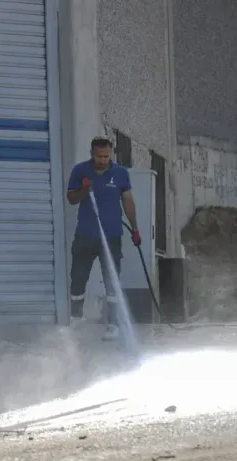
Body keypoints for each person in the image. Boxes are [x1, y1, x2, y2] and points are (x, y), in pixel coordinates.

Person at [66, 136, 141, 341]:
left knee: (112, 280)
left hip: (112, 236)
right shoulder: (80, 171)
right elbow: (71, 199)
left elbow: (128, 201)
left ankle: (113, 323)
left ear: (111, 154)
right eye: (99, 156)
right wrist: (84, 190)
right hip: (85, 235)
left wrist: (135, 228)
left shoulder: (120, 174)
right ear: (92, 154)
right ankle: (76, 317)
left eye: (106, 156)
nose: (102, 160)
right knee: (78, 278)